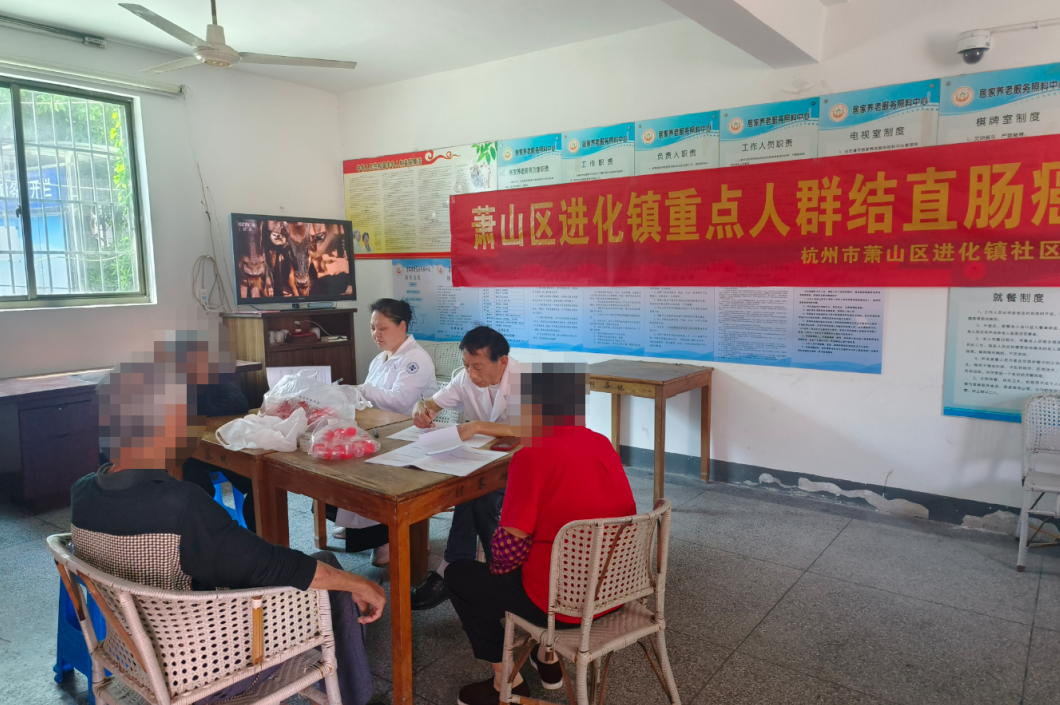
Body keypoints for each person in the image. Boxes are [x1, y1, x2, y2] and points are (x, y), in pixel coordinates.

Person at [72, 341, 387, 705]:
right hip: (205, 668)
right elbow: (276, 566)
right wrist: (362, 583)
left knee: (312, 571)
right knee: (329, 574)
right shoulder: (181, 506)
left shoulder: (82, 494)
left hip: (132, 654)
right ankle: (355, 696)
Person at [444, 361, 636, 705]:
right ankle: (546, 658)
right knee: (544, 553)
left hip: (562, 606)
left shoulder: (531, 456)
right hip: (614, 592)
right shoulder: (602, 443)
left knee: (461, 575)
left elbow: (507, 552)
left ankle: (507, 680)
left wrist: (501, 569)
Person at [408, 326, 518, 611]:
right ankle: (459, 569)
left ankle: (483, 573)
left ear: (502, 361)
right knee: (469, 488)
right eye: (466, 365)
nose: (471, 374)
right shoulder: (465, 377)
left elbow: (535, 428)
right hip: (487, 462)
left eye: (477, 367)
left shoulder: (528, 378)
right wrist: (421, 410)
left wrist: (477, 426)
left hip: (525, 466)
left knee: (481, 498)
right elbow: (430, 403)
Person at [331, 299, 437, 564]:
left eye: (382, 328)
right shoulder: (380, 359)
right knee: (340, 453)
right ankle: (356, 524)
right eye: (372, 328)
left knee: (365, 463)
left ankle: (384, 537)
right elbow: (369, 401)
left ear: (402, 326)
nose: (376, 334)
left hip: (409, 433)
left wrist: (362, 389)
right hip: (382, 429)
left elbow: (400, 402)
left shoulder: (416, 359)